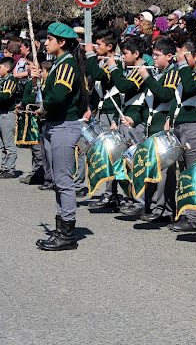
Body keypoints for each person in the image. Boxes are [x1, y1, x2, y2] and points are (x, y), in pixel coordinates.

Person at [34, 23, 87, 251]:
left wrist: (43, 107)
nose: (46, 43)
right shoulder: (59, 64)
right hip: (56, 125)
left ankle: (67, 234)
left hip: (64, 126)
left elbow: (57, 97)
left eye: (49, 39)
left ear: (62, 42)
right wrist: (38, 80)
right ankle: (61, 229)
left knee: (64, 182)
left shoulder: (67, 65)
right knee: (59, 181)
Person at [167, 40, 196, 232]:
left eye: (186, 55)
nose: (182, 60)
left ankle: (193, 218)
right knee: (184, 172)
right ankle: (185, 214)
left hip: (195, 127)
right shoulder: (186, 72)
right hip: (180, 125)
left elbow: (190, 88)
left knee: (193, 172)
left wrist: (184, 66)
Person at [137, 37, 181, 222]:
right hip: (152, 126)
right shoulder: (159, 73)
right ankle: (154, 205)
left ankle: (165, 209)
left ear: (169, 56)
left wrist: (146, 77)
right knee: (153, 168)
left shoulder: (173, 73)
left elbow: (164, 95)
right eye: (153, 55)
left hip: (163, 128)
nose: (153, 59)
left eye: (157, 55)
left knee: (164, 172)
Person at [105, 36, 149, 215]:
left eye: (125, 54)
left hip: (135, 123)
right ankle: (129, 197)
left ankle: (140, 201)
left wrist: (114, 68)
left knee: (136, 162)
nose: (122, 57)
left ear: (136, 54)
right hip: (125, 121)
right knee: (125, 163)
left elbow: (123, 87)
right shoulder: (130, 70)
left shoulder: (143, 70)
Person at [85, 30, 123, 208]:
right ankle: (109, 192)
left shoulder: (117, 63)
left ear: (109, 47)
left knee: (111, 154)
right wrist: (91, 108)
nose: (95, 48)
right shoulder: (104, 61)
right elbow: (97, 86)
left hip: (111, 112)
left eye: (98, 45)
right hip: (101, 111)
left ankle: (111, 194)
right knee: (104, 153)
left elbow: (98, 75)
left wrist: (90, 54)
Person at [0, 57, 18, 179]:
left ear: (7, 68)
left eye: (0, 67)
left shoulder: (10, 80)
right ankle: (4, 167)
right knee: (3, 143)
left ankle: (10, 169)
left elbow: (5, 96)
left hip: (7, 113)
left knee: (8, 143)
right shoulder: (2, 80)